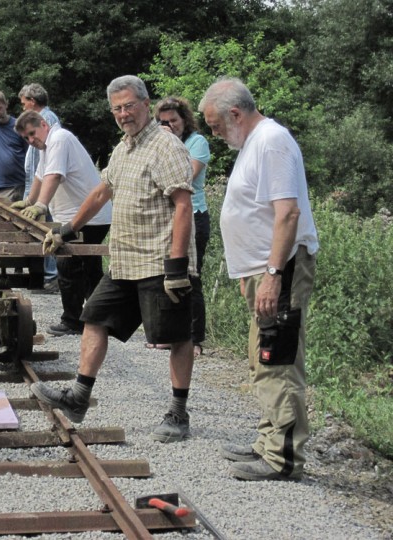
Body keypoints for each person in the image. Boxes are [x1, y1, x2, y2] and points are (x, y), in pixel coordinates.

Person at [30, 75, 197, 443]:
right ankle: (78, 397)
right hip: (125, 260)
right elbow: (102, 190)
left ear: (145, 104)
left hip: (159, 259)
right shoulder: (123, 148)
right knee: (93, 319)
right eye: (117, 109)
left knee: (175, 336)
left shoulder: (166, 146)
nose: (124, 114)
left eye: (129, 106)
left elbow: (183, 206)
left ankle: (178, 413)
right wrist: (68, 228)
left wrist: (177, 265)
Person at [198, 77, 318, 481]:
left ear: (235, 113)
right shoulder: (255, 144)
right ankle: (267, 442)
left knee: (277, 359)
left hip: (278, 270)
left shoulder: (272, 141)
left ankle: (283, 459)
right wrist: (248, 272)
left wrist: (270, 275)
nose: (214, 134)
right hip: (262, 271)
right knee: (260, 358)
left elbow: (287, 214)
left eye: (215, 125)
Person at [13, 110, 112, 336]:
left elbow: (54, 176)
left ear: (43, 124)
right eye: (26, 138)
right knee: (88, 269)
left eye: (32, 133)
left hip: (85, 218)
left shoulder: (59, 139)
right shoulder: (47, 146)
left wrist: (41, 206)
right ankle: (102, 317)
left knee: (68, 265)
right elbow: (40, 176)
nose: (31, 140)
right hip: (86, 217)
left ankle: (73, 321)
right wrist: (29, 201)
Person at [151, 97, 211, 357]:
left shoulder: (197, 142)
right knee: (164, 275)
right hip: (165, 216)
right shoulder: (155, 143)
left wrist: (170, 141)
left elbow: (188, 175)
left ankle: (195, 338)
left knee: (190, 277)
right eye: (163, 122)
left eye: (173, 120)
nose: (168, 125)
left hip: (193, 214)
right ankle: (168, 334)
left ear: (184, 120)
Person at [18, 83, 61, 293]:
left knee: (46, 228)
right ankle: (47, 275)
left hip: (44, 186)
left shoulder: (46, 120)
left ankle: (51, 277)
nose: (22, 106)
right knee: (42, 228)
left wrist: (36, 199)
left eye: (23, 102)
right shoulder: (45, 118)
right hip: (38, 183)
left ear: (32, 101)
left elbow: (46, 163)